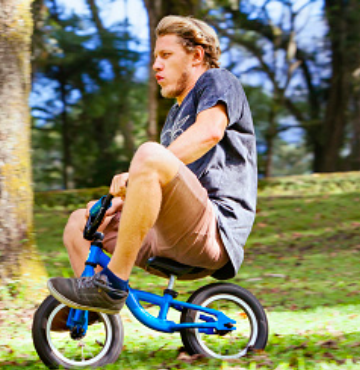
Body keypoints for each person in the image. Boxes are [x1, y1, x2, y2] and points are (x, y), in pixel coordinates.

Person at [48, 15, 258, 315]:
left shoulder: (218, 81)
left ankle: (112, 285)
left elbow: (210, 131)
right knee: (81, 221)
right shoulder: (174, 117)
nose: (156, 65)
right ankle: (89, 309)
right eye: (155, 57)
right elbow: (165, 189)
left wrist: (141, 170)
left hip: (214, 229)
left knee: (149, 154)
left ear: (197, 55)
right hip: (172, 234)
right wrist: (118, 205)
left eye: (166, 55)